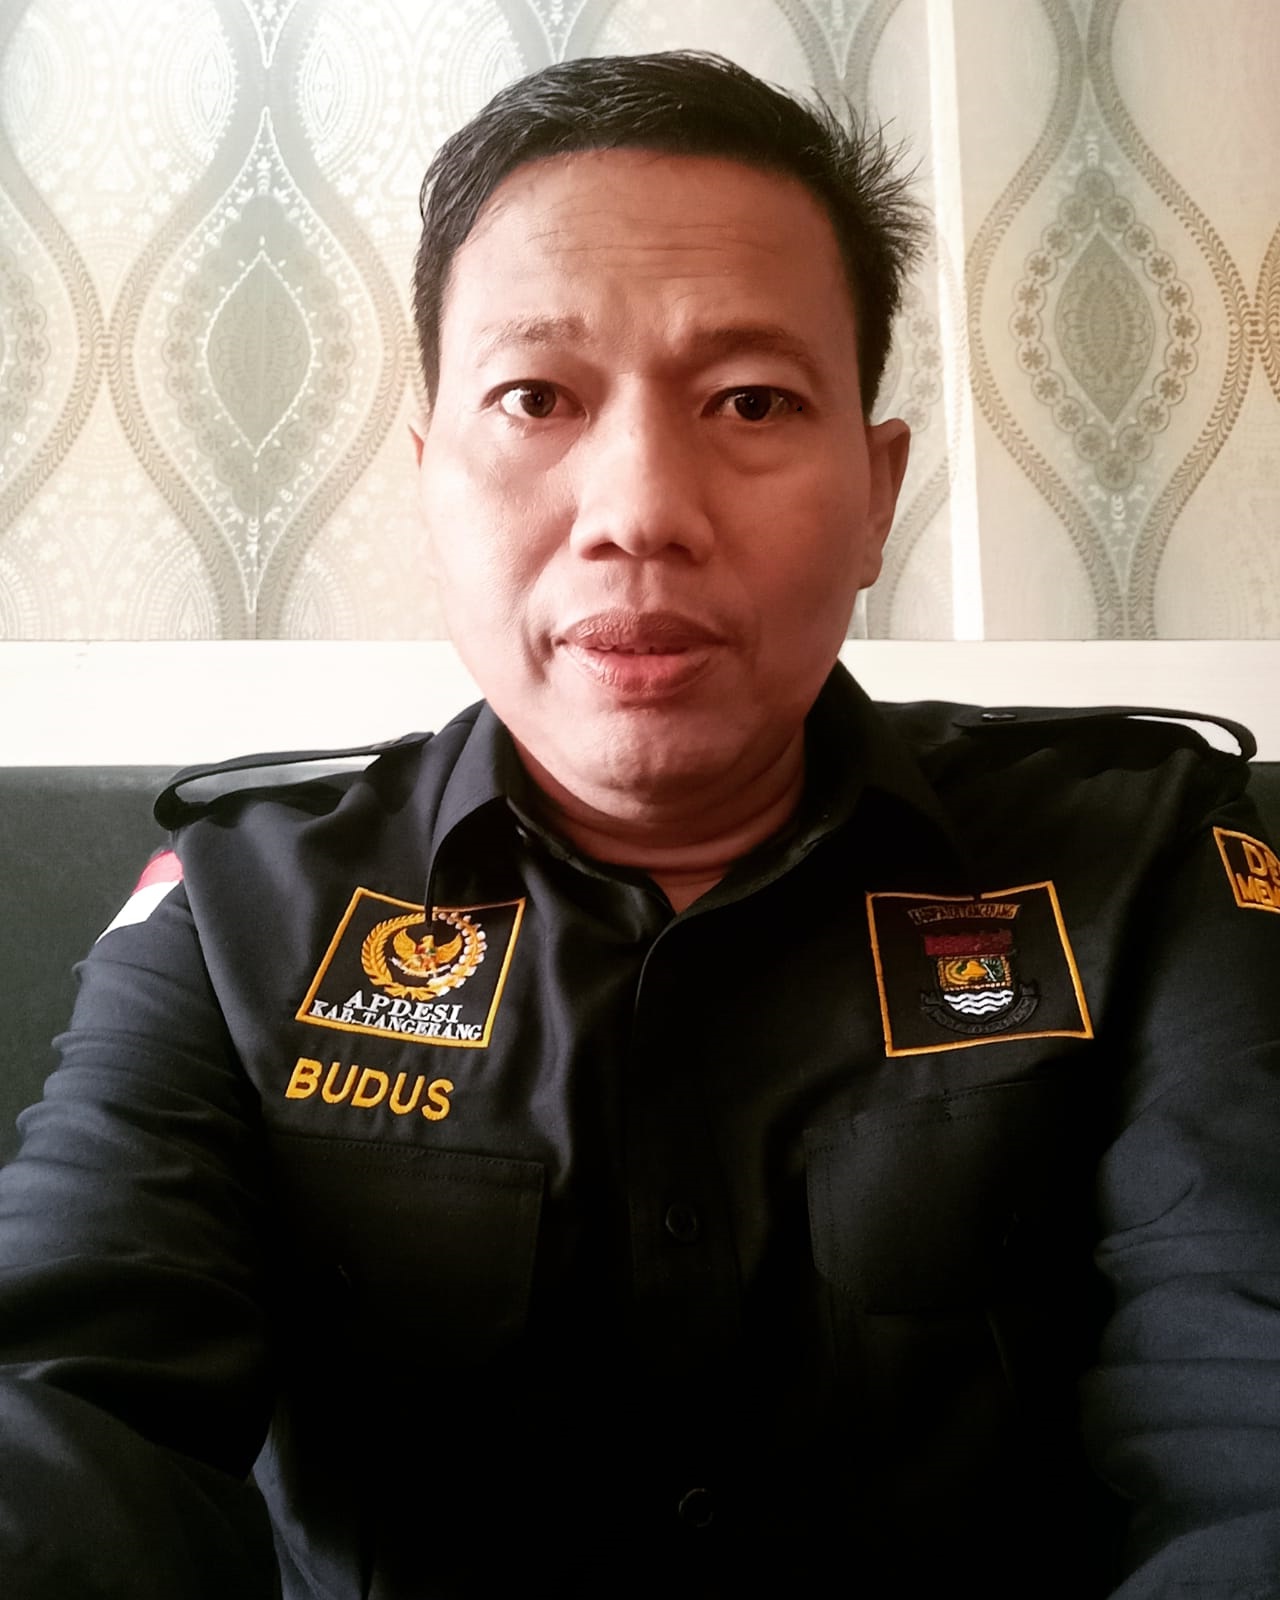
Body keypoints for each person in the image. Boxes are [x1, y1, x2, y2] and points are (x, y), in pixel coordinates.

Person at [1, 49, 1278, 1600]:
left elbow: (1250, 1414)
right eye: (536, 398)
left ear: (877, 496)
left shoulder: (1144, 858)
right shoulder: (235, 913)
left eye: (752, 400)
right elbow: (69, 1393)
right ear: (432, 483)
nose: (641, 511)